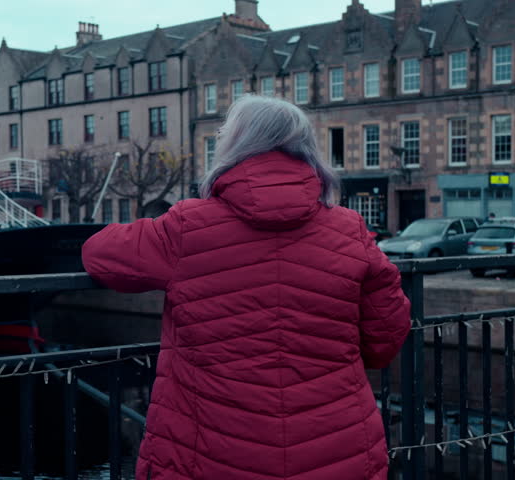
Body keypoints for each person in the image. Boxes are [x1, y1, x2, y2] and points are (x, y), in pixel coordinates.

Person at [82, 95, 410, 480]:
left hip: (209, 452)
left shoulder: (187, 226)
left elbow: (98, 255)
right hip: (335, 449)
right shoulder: (349, 229)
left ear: (234, 146)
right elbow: (384, 339)